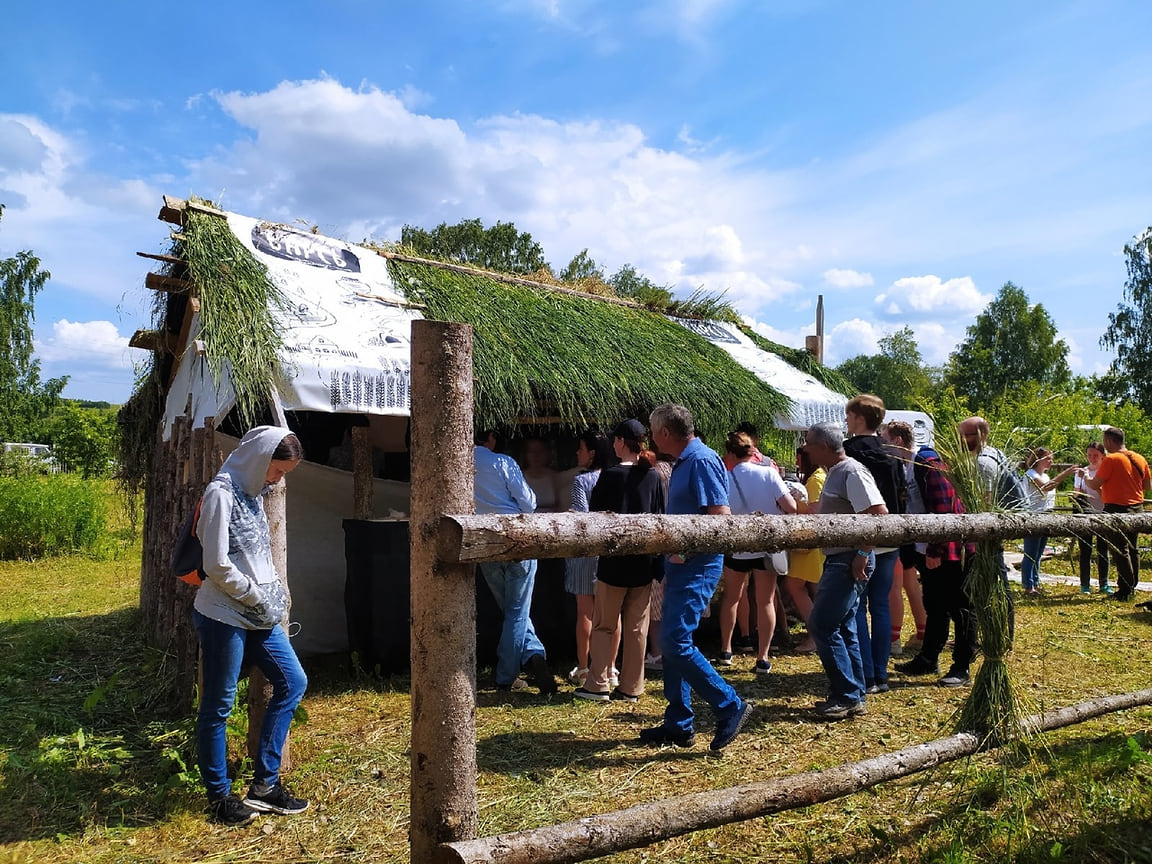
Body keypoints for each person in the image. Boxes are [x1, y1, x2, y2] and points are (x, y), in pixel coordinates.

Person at [194, 426, 309, 826]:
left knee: (293, 682)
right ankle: (219, 796)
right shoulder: (221, 494)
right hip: (224, 613)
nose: (277, 480)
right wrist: (256, 596)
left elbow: (256, 555)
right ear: (260, 460)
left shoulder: (253, 494)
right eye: (276, 471)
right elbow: (216, 563)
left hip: (258, 614)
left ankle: (264, 785)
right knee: (219, 705)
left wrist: (270, 594)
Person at [641, 403, 752, 751]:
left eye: (652, 429)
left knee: (674, 641)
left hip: (697, 566)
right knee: (675, 642)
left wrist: (685, 552)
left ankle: (729, 704)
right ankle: (679, 723)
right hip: (683, 565)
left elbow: (719, 517)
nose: (650, 435)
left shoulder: (701, 460)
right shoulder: (687, 460)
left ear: (664, 433)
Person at [575, 420, 665, 702]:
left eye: (615, 439)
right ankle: (632, 686)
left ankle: (598, 682)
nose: (612, 444)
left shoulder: (610, 476)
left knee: (604, 624)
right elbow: (660, 517)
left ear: (623, 442)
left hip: (613, 564)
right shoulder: (653, 477)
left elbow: (596, 515)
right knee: (638, 627)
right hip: (643, 564)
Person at [803, 421, 887, 718]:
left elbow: (877, 515)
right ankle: (854, 692)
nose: (806, 449)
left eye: (809, 443)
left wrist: (863, 553)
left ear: (824, 446)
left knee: (822, 625)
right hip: (843, 558)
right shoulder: (837, 472)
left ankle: (847, 694)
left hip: (848, 559)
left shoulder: (851, 471)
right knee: (843, 625)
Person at [474, 430, 557, 694]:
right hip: (515, 538)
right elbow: (528, 503)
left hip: (483, 541)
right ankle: (506, 676)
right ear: (491, 438)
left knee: (512, 610)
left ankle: (533, 654)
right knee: (517, 611)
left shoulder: (459, 464)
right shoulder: (503, 462)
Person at [893, 440, 979, 688]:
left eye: (886, 439)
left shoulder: (927, 464)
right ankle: (928, 658)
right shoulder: (907, 467)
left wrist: (935, 548)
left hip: (950, 551)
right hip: (927, 548)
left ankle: (961, 667)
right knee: (935, 605)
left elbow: (947, 510)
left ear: (897, 441)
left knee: (961, 608)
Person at [717, 431, 798, 674]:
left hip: (737, 545)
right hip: (766, 545)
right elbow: (791, 507)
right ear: (753, 451)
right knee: (765, 601)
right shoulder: (769, 473)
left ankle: (726, 649)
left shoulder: (725, 478)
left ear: (730, 453)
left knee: (732, 598)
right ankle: (762, 655)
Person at [843, 395, 903, 695]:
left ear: (858, 418)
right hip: (890, 538)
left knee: (856, 608)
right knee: (881, 606)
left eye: (848, 416)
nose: (846, 421)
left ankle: (865, 673)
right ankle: (880, 672)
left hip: (860, 538)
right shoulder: (893, 453)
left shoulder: (848, 452)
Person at [564, 430, 619, 685]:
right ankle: (610, 668)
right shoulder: (616, 477)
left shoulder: (581, 481)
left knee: (585, 612)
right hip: (611, 552)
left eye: (581, 448)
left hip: (586, 552)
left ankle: (585, 668)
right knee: (611, 614)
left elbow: (580, 515)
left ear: (592, 453)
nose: (577, 452)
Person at [958, 415, 1016, 640]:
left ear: (981, 436)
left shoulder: (983, 462)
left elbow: (985, 501)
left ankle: (998, 634)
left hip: (987, 533)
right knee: (994, 580)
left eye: (966, 435)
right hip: (991, 530)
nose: (961, 440)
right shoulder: (994, 453)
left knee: (994, 581)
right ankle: (996, 632)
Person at [1082, 426, 1151, 601]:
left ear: (1110, 441)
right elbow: (1147, 486)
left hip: (1116, 508)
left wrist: (1086, 478)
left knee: (1120, 550)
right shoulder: (1139, 458)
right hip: (1137, 507)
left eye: (1105, 441)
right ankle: (1132, 584)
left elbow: (1095, 484)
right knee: (1133, 548)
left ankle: (1125, 590)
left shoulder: (1111, 459)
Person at [880, 421, 928, 657]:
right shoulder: (903, 463)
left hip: (919, 533)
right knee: (908, 584)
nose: (883, 446)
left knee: (895, 586)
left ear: (898, 440)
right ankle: (922, 633)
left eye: (886, 440)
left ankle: (894, 640)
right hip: (910, 532)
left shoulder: (921, 460)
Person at [784, 447, 825, 654]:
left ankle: (816, 636)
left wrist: (794, 501)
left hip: (809, 543)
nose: (797, 463)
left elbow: (815, 512)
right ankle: (820, 633)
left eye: (798, 458)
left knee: (795, 586)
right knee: (812, 589)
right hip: (812, 544)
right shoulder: (818, 477)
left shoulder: (816, 479)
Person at [1020, 447, 1076, 595]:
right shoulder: (1030, 474)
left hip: (1046, 515)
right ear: (1038, 460)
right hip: (1034, 516)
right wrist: (1066, 473)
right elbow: (1046, 487)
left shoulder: (1044, 475)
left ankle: (1035, 583)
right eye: (1048, 458)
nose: (1051, 461)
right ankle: (1028, 585)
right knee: (1030, 553)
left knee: (1038, 553)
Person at [1070, 441, 1112, 594]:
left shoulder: (1105, 472)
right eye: (1089, 455)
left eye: (1095, 455)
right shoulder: (1081, 472)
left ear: (1102, 456)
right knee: (1085, 550)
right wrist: (1079, 488)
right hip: (1086, 515)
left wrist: (1089, 480)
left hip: (1103, 513)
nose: (1092, 458)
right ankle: (1085, 585)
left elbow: (1106, 495)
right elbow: (1076, 495)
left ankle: (1104, 584)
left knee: (1103, 550)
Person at [520, 437, 560, 513]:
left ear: (547, 453)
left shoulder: (556, 477)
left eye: (540, 451)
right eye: (531, 451)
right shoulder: (519, 477)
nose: (536, 455)